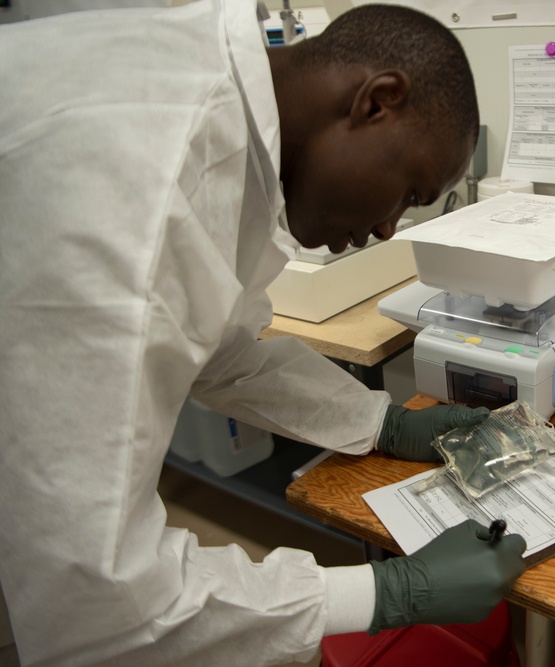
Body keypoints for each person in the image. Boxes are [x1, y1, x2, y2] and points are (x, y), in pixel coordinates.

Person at [0, 2, 527, 665]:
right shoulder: (148, 188)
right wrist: (390, 591)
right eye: (408, 191)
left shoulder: (215, 98)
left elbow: (223, 348)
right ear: (377, 102)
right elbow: (99, 600)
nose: (392, 226)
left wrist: (384, 422)